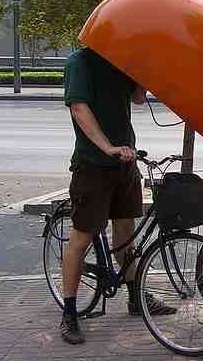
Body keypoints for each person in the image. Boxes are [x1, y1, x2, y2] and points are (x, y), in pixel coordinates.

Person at [60, 47, 175, 345]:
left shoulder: (120, 61)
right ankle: (69, 312)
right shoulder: (80, 62)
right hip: (93, 166)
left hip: (125, 163)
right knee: (82, 237)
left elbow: (137, 99)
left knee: (126, 235)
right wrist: (107, 146)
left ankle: (135, 298)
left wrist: (143, 71)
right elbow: (79, 108)